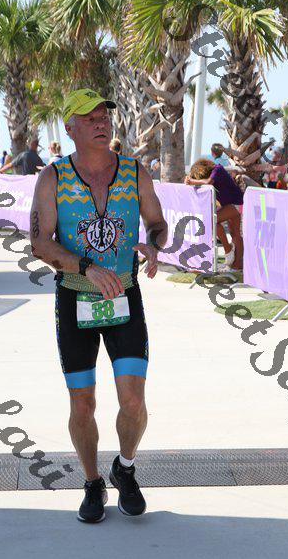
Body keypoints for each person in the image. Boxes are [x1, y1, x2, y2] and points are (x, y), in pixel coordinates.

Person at [30, 88, 167, 524]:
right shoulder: (53, 178)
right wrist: (86, 268)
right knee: (82, 405)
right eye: (88, 118)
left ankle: (124, 467)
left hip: (124, 294)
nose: (100, 122)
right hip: (75, 297)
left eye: (103, 115)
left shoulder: (134, 171)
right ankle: (92, 483)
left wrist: (155, 244)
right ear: (69, 128)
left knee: (134, 401)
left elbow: (157, 222)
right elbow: (40, 243)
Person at [185, 158, 244, 270]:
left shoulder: (217, 169)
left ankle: (228, 250)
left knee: (212, 221)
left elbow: (208, 182)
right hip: (232, 204)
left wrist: (192, 181)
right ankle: (236, 265)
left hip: (236, 203)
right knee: (235, 233)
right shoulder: (214, 172)